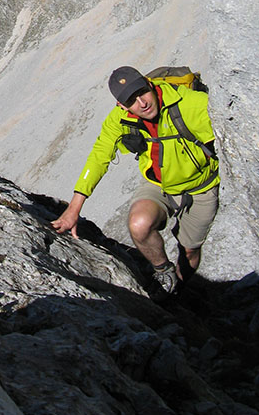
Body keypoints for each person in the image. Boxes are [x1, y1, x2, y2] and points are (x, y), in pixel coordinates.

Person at [51, 66, 219, 294]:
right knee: (139, 225)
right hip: (159, 185)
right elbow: (99, 157)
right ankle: (164, 273)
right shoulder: (120, 119)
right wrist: (74, 208)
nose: (142, 103)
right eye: (131, 101)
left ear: (149, 84)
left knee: (189, 251)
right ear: (121, 106)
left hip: (202, 187)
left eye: (141, 92)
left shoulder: (190, 103)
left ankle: (181, 286)